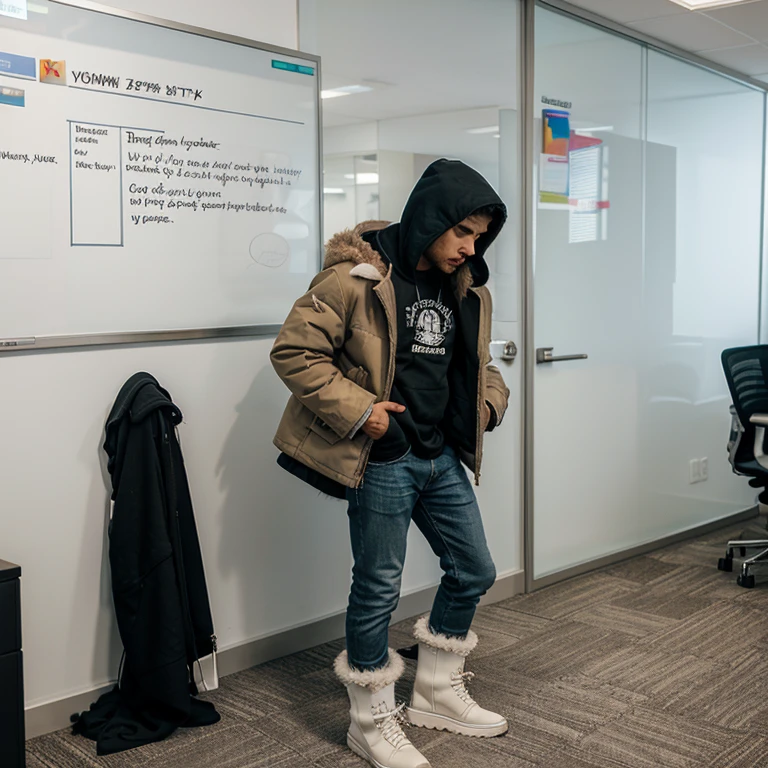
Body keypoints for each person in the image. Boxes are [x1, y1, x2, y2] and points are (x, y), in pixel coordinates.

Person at [271, 159, 510, 768]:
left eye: (479, 237)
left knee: (474, 568)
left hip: (440, 455)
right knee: (379, 586)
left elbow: (480, 365)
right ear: (432, 218)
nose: (470, 247)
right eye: (462, 232)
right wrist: (366, 415)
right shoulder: (356, 278)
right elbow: (295, 353)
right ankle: (370, 721)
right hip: (383, 456)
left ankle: (433, 691)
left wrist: (487, 404)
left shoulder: (467, 288)